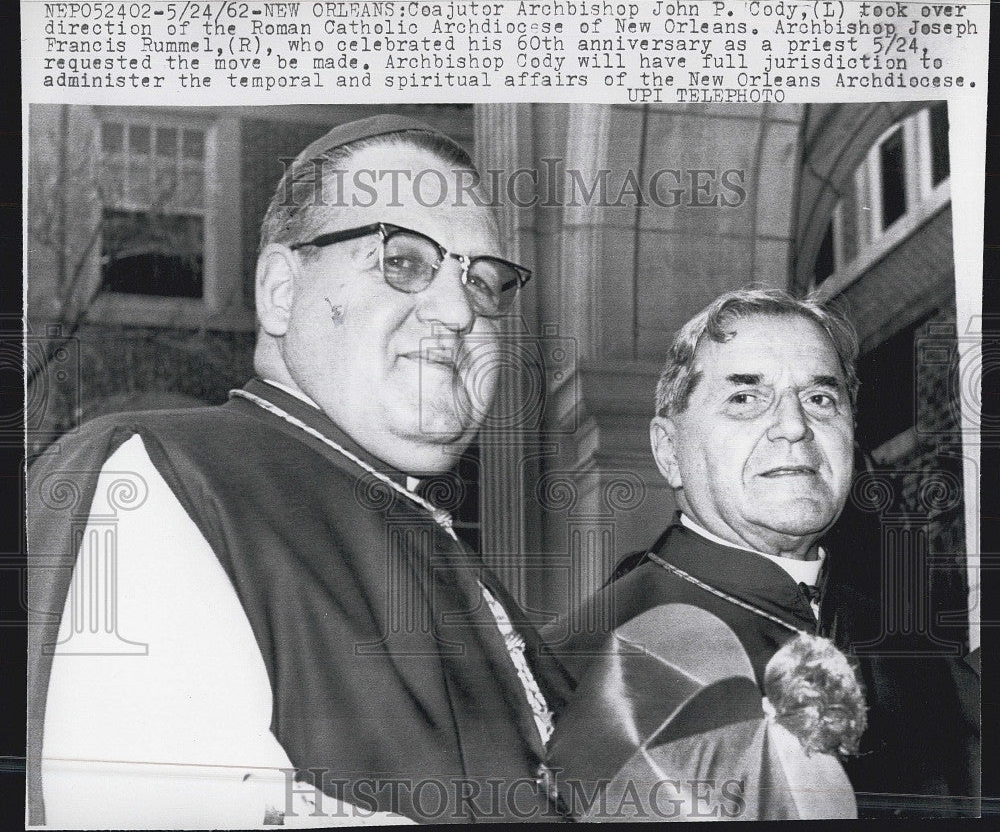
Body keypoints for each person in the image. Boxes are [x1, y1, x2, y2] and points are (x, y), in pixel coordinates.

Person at [28, 116, 572, 826]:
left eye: (486, 282)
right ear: (281, 290)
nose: (458, 310)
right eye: (404, 261)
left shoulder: (452, 558)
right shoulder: (159, 475)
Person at [547, 288, 978, 819]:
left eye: (821, 399)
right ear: (669, 451)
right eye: (746, 399)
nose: (795, 427)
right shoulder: (578, 662)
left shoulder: (924, 654)